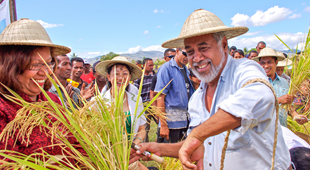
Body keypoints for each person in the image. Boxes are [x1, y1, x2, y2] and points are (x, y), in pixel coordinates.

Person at [130, 9, 290, 170]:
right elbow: (196, 143)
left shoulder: (244, 70)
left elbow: (261, 96)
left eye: (204, 47)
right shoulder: (197, 98)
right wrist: (159, 148)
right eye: (190, 51)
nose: (197, 58)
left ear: (224, 45)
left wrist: (198, 134)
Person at [0, 18, 84, 160]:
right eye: (35, 65)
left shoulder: (51, 101)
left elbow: (74, 144)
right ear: (11, 66)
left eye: (48, 63)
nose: (45, 72)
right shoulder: (4, 109)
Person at [95, 56, 147, 169]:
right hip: (107, 161)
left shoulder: (136, 100)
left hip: (129, 159)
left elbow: (142, 130)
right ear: (108, 77)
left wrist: (134, 145)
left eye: (125, 74)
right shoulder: (98, 103)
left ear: (130, 78)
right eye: (116, 73)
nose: (121, 78)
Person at [252, 47, 307, 126]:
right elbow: (255, 107)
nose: (266, 66)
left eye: (269, 62)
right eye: (263, 63)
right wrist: (278, 100)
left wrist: (295, 115)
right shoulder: (256, 83)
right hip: (263, 132)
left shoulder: (284, 82)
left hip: (282, 130)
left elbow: (288, 107)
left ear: (276, 63)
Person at [155, 47, 194, 143]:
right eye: (185, 54)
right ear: (177, 51)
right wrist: (163, 125)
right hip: (171, 123)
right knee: (169, 154)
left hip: (185, 120)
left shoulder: (185, 69)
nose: (187, 57)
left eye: (190, 54)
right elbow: (160, 97)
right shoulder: (166, 69)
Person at [134, 58, 155, 142]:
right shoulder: (138, 78)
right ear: (144, 66)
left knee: (161, 124)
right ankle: (145, 146)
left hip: (153, 105)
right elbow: (135, 93)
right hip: (144, 107)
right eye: (150, 65)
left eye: (152, 65)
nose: (152, 67)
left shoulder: (153, 77)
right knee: (145, 128)